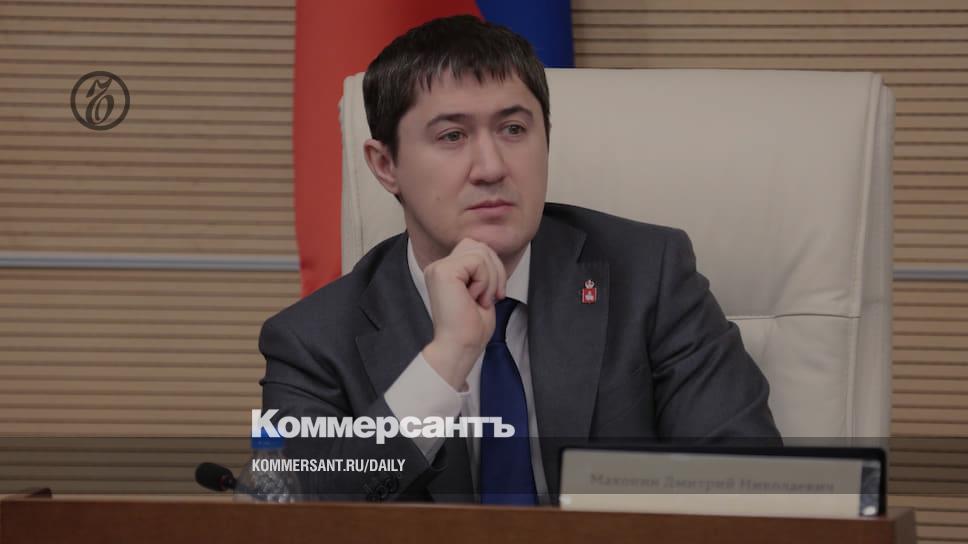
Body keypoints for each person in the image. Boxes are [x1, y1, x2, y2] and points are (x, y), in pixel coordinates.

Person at [259, 14, 780, 505]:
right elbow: (292, 512)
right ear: (385, 165)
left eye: (513, 129)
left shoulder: (649, 276)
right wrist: (446, 361)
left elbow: (747, 483)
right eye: (452, 136)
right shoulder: (311, 341)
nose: (491, 167)